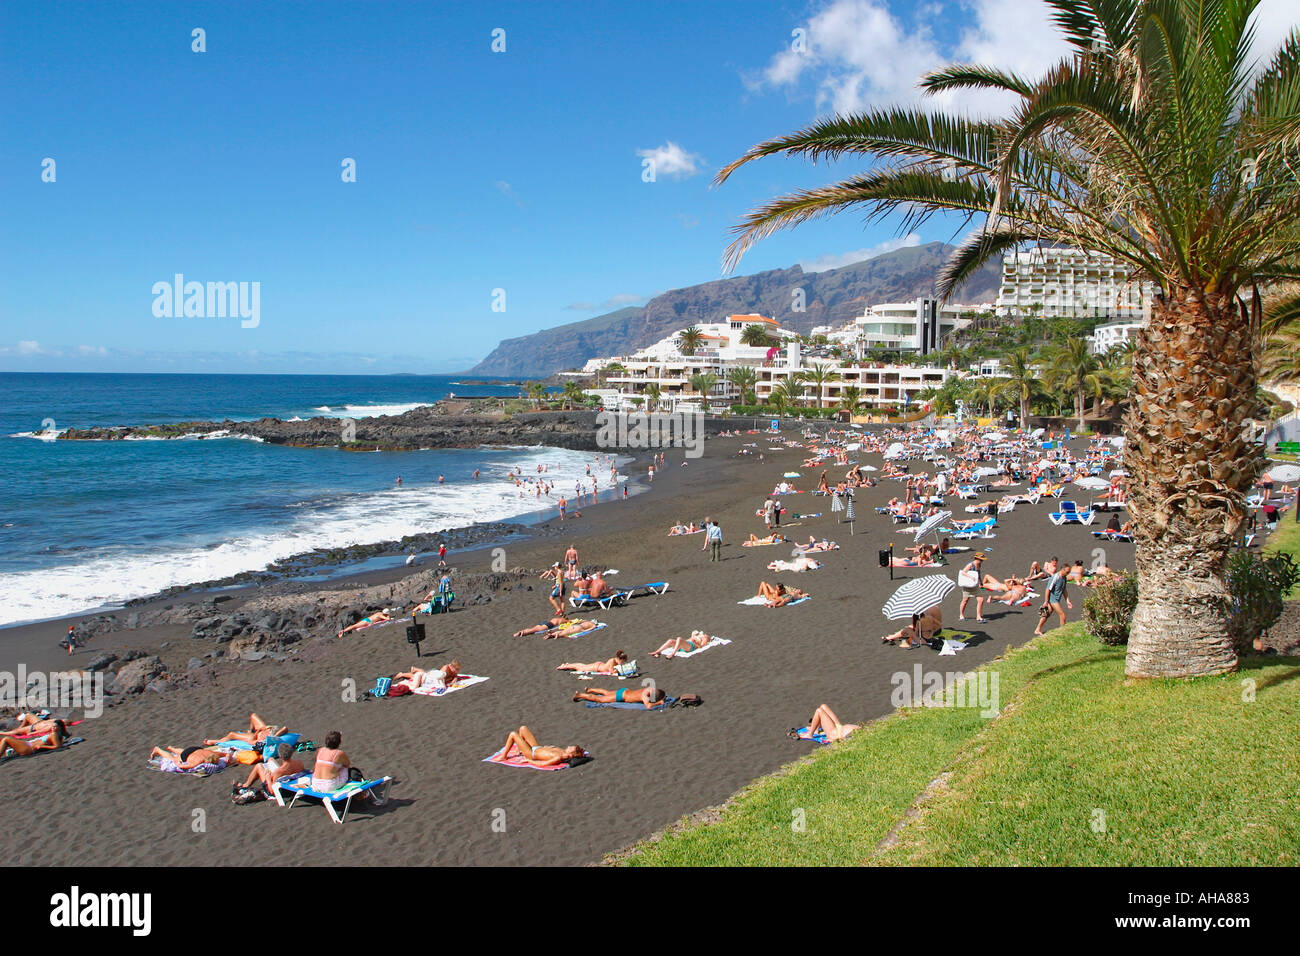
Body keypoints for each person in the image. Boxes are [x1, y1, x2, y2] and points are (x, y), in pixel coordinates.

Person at [491, 726, 586, 767]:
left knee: (513, 734)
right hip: (537, 748)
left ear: (571, 753)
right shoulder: (562, 751)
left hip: (531, 754)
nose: (568, 746)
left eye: (570, 747)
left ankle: (503, 756)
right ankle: (519, 750)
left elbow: (543, 764)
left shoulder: (559, 757)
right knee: (523, 728)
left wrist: (529, 761)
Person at [239, 742, 305, 793]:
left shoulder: (278, 772)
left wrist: (268, 777)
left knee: (259, 766)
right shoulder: (299, 763)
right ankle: (246, 784)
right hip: (289, 779)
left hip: (283, 789)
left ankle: (246, 785)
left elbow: (272, 791)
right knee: (270, 759)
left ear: (280, 756)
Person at [1034, 559, 1071, 635]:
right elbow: (1048, 589)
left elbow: (1064, 589)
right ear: (1062, 570)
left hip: (1056, 599)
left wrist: (1067, 600)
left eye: (1069, 572)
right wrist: (1046, 601)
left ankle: (1037, 629)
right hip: (1053, 600)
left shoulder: (1064, 578)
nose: (1068, 573)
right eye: (1067, 572)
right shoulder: (1055, 577)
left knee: (1046, 614)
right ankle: (1062, 632)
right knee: (1062, 615)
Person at [205, 713, 286, 746]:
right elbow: (285, 728)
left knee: (231, 734)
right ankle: (251, 730)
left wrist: (258, 731)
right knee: (253, 715)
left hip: (255, 736)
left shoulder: (262, 741)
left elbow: (252, 742)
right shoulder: (275, 734)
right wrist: (269, 731)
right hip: (263, 730)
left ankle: (214, 742)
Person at [790, 704, 858, 742]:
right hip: (839, 727)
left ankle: (810, 734)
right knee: (823, 706)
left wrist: (832, 739)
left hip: (836, 734)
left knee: (819, 711)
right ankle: (815, 729)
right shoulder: (861, 730)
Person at [2, 719, 68, 758]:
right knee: (4, 741)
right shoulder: (56, 735)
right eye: (52, 726)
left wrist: (42, 746)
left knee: (6, 739)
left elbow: (57, 746)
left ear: (60, 728)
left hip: (29, 748)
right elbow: (59, 744)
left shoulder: (54, 734)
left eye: (55, 727)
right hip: (28, 744)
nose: (53, 728)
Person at [148, 742, 228, 771]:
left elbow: (227, 754)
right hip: (186, 756)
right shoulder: (198, 762)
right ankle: (158, 750)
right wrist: (177, 762)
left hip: (195, 749)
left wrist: (227, 758)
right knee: (173, 758)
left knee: (184, 751)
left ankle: (171, 748)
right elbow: (182, 766)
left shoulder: (211, 753)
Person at [573, 685, 667, 709]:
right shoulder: (645, 696)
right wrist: (659, 702)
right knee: (600, 699)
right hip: (621, 696)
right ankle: (580, 695)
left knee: (607, 693)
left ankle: (590, 689)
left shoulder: (650, 689)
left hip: (625, 691)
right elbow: (648, 706)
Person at [394, 660, 461, 693]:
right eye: (457, 669)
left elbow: (455, 676)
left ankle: (414, 669)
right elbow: (440, 677)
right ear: (451, 667)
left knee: (418, 675)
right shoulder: (445, 668)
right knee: (417, 675)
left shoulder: (453, 671)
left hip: (430, 675)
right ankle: (403, 674)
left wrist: (455, 678)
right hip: (433, 674)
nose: (457, 671)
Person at [959, 552, 988, 623]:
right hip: (968, 585)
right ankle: (961, 615)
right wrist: (971, 577)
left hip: (975, 585)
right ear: (977, 558)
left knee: (981, 599)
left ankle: (978, 617)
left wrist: (980, 582)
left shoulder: (979, 564)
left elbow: (978, 573)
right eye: (981, 559)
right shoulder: (970, 564)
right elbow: (963, 572)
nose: (982, 561)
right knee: (965, 600)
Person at [556, 651, 628, 674]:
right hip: (597, 667)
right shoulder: (613, 660)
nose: (622, 663)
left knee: (582, 666)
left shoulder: (614, 660)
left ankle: (567, 665)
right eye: (623, 661)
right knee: (580, 668)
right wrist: (618, 671)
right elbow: (612, 671)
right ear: (620, 659)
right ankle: (564, 666)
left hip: (599, 665)